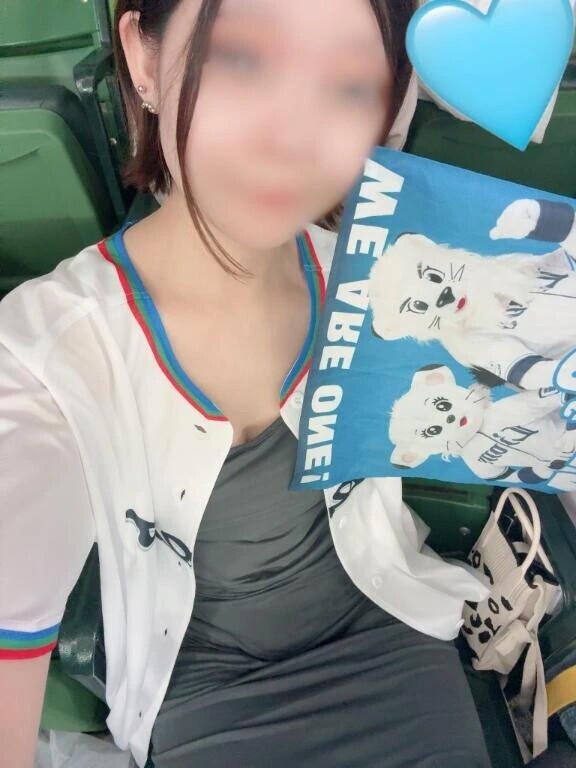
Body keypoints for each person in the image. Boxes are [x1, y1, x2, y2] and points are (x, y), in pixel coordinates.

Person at [0, 1, 493, 767]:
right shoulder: (45, 355)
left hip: (392, 640)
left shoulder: (378, 274)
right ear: (143, 59)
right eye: (241, 57)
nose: (292, 134)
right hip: (205, 699)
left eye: (347, 83)